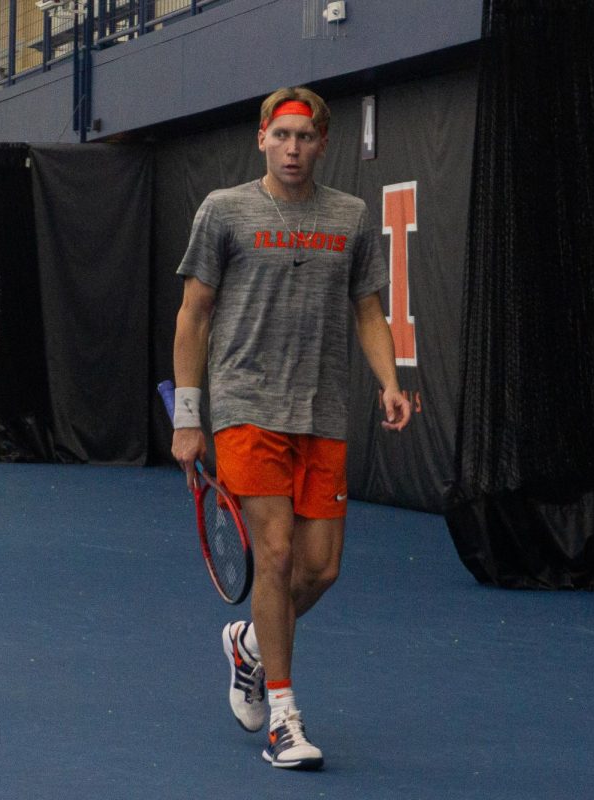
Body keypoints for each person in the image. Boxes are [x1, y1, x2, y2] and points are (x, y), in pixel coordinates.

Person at [170, 86, 411, 769]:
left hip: (322, 411)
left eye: (306, 138)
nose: (294, 149)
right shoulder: (224, 211)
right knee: (272, 557)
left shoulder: (351, 217)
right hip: (248, 408)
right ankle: (283, 716)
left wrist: (390, 383)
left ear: (323, 144)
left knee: (321, 569)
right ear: (262, 139)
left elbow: (367, 310)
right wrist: (190, 416)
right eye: (283, 136)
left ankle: (248, 644)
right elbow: (193, 315)